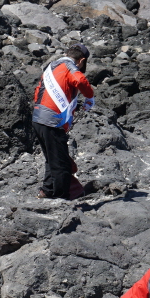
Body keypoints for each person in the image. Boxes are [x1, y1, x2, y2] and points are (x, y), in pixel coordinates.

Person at [32, 43, 95, 200]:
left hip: (38, 117)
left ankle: (47, 191)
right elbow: (80, 81)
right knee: (62, 163)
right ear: (81, 60)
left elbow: (38, 90)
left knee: (52, 158)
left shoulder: (52, 66)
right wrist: (89, 96)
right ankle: (61, 198)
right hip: (52, 121)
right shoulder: (70, 67)